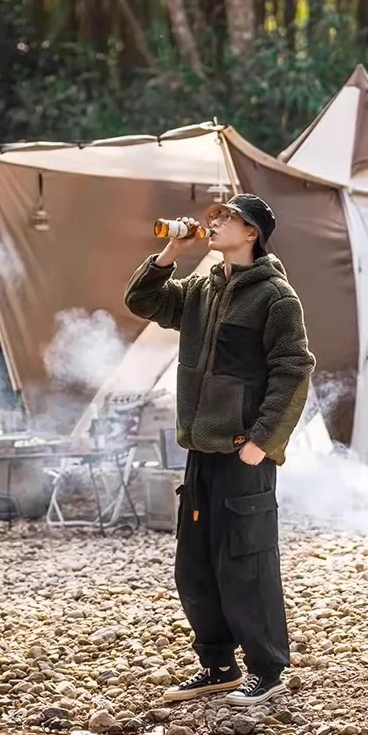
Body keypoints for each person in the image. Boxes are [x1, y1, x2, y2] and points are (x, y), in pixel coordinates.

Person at [124, 195, 315, 706]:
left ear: (251, 231)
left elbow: (294, 370)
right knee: (195, 563)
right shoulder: (201, 290)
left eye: (227, 217)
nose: (215, 221)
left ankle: (267, 669)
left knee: (245, 562)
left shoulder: (276, 297)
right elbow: (141, 302)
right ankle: (218, 665)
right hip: (201, 450)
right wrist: (170, 252)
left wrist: (261, 442)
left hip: (242, 452)